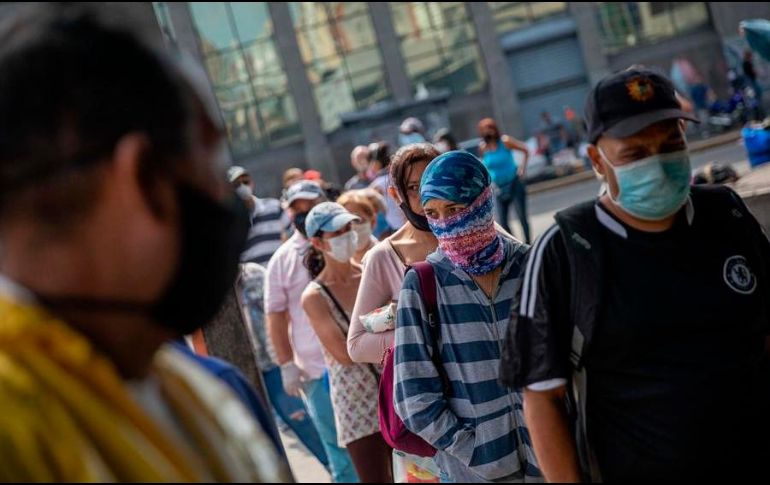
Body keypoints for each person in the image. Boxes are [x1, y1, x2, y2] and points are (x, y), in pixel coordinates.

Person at [0, 5, 290, 481]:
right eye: (214, 164)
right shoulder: (15, 427)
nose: (233, 201)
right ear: (144, 179)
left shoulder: (191, 392)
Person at [501, 67, 770, 483]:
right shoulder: (566, 248)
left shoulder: (728, 215)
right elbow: (542, 397)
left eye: (670, 144)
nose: (659, 164)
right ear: (596, 160)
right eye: (635, 154)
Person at [393, 151, 541, 483]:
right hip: (474, 473)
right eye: (433, 213)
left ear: (483, 203)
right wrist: (474, 449)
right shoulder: (422, 283)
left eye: (456, 209)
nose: (446, 223)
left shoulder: (532, 268)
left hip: (551, 463)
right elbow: (413, 397)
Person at [265, 180, 359, 483]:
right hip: (318, 372)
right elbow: (275, 315)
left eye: (309, 205)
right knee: (341, 454)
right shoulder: (282, 260)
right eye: (296, 209)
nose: (303, 213)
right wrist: (286, 363)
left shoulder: (347, 244)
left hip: (360, 361)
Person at [301, 203, 393, 483]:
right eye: (336, 232)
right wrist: (387, 330)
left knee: (420, 475)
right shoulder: (315, 296)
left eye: (348, 228)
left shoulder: (370, 273)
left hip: (394, 394)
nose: (347, 235)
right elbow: (343, 353)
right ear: (317, 243)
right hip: (356, 408)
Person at [348, 144, 440, 366]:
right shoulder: (385, 256)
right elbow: (357, 345)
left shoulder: (478, 230)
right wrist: (424, 337)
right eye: (413, 187)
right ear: (395, 194)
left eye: (433, 183)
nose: (426, 196)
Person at [239, 262, 330, 469]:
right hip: (241, 371)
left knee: (305, 423)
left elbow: (281, 316)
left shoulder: (254, 275)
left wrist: (288, 360)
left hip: (273, 365)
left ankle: (333, 469)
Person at [478, 118, 532, 244]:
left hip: (514, 183)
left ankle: (528, 244)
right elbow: (484, 166)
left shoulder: (505, 141)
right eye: (485, 130)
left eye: (490, 129)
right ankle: (516, 245)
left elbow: (525, 150)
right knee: (503, 222)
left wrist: (522, 168)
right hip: (498, 187)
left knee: (522, 217)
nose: (488, 132)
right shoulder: (483, 147)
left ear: (495, 129)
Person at [229, 165, 289, 265]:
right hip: (252, 278)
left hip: (280, 275)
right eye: (237, 185)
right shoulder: (230, 221)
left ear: (252, 183)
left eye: (245, 182)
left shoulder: (274, 207)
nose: (243, 187)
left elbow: (292, 236)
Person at [368, 141, 405, 238]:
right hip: (409, 222)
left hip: (396, 227)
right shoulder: (399, 176)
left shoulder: (377, 184)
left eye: (371, 161)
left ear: (377, 162)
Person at [336, 191, 378, 264]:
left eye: (357, 220)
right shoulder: (336, 261)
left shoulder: (385, 256)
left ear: (373, 221)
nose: (352, 227)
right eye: (346, 222)